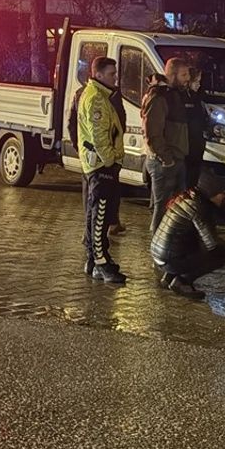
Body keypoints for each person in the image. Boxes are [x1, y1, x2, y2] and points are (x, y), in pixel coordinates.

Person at [150, 171, 225, 300]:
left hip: (159, 254)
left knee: (191, 244)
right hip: (170, 258)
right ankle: (182, 282)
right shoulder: (200, 208)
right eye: (222, 193)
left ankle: (168, 277)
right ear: (212, 193)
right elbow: (212, 244)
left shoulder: (188, 198)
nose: (224, 196)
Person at [78, 56, 127, 283]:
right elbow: (99, 135)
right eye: (111, 74)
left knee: (96, 213)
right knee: (100, 216)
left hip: (98, 164)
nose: (115, 78)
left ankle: (94, 259)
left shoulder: (98, 95)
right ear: (98, 75)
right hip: (100, 165)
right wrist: (110, 160)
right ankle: (100, 262)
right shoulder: (97, 99)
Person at [141, 57, 191, 233]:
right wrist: (166, 158)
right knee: (161, 211)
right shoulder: (159, 96)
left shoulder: (171, 94)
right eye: (184, 74)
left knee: (172, 209)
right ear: (172, 73)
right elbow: (153, 132)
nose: (187, 78)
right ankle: (158, 250)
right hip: (164, 162)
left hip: (175, 158)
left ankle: (168, 247)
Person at [183, 67, 208, 189]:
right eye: (196, 81)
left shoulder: (198, 98)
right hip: (188, 147)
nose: (199, 84)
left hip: (197, 147)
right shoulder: (184, 98)